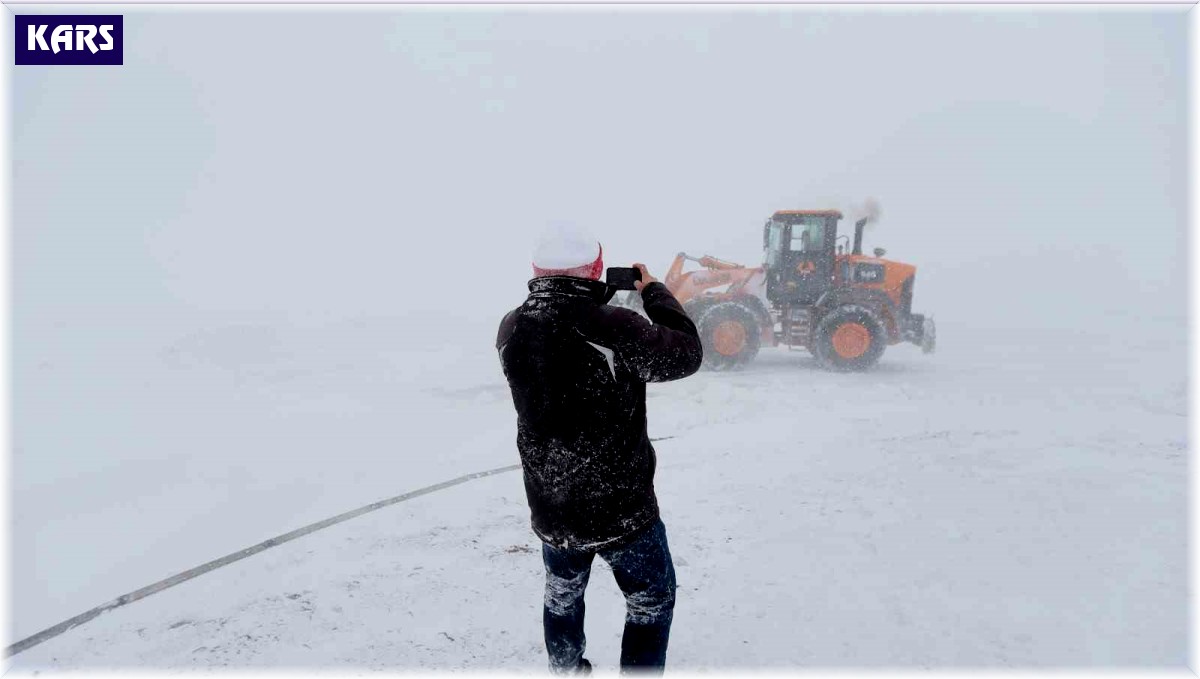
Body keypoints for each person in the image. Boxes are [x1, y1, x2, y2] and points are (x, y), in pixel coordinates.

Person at [496, 223, 703, 675]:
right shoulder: (611, 326)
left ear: (537, 271)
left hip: (551, 507)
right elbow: (686, 353)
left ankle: (567, 670)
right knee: (650, 601)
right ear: (595, 269)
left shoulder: (511, 326)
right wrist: (655, 292)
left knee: (562, 594)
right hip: (621, 512)